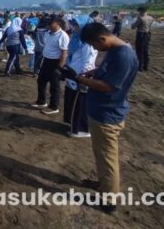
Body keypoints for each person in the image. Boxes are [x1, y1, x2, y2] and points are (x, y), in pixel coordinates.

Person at [60, 22, 139, 214]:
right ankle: (105, 184)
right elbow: (105, 72)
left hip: (107, 113)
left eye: (95, 45)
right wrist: (91, 73)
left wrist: (79, 79)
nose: (95, 49)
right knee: (102, 154)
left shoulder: (123, 56)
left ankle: (109, 199)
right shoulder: (115, 50)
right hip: (101, 111)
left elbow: (108, 86)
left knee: (107, 157)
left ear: (102, 38)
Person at [61, 17, 98, 138]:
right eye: (73, 25)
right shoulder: (76, 39)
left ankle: (81, 129)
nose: (74, 27)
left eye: (76, 25)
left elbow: (88, 62)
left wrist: (83, 78)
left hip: (80, 77)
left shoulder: (87, 43)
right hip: (73, 74)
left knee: (79, 104)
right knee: (72, 101)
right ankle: (73, 124)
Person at [33, 16, 69, 114]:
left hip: (55, 62)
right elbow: (46, 47)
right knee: (41, 81)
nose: (48, 26)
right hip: (46, 61)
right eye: (47, 24)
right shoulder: (48, 33)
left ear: (57, 23)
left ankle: (54, 107)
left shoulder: (63, 35)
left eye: (50, 23)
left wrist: (59, 68)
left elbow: (64, 53)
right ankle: (41, 101)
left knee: (54, 86)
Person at [130, 7, 154, 72]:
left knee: (139, 51)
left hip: (141, 35)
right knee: (146, 51)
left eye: (139, 11)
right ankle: (146, 66)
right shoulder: (151, 18)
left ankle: (139, 67)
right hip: (147, 35)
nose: (139, 13)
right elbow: (149, 25)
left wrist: (132, 24)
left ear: (141, 11)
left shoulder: (140, 18)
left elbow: (133, 27)